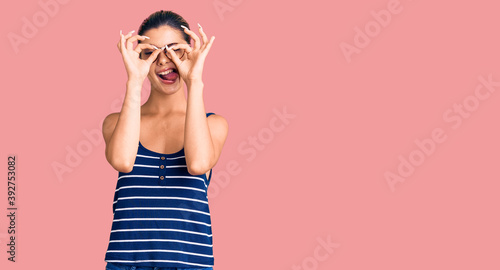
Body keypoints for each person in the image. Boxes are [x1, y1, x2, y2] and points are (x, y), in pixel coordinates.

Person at [101, 10, 228, 270]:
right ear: (140, 58)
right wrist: (134, 81)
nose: (163, 60)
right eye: (151, 52)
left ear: (189, 52)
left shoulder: (213, 125)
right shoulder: (115, 123)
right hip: (126, 264)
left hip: (190, 265)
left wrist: (195, 81)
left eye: (174, 50)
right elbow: (123, 161)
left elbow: (197, 164)